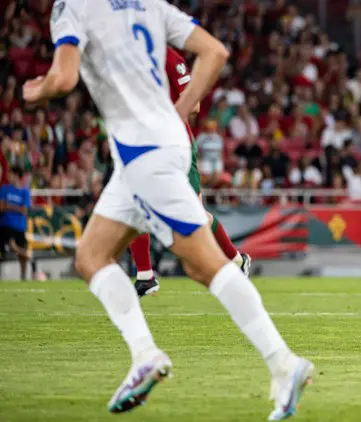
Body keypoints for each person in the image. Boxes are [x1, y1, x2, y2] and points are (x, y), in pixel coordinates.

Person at [22, 1, 312, 418]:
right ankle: (144, 355)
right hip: (154, 149)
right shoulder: (151, 4)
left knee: (203, 264)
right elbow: (216, 52)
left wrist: (39, 89)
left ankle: (284, 363)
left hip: (145, 152)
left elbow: (64, 78)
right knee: (91, 256)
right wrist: (179, 111)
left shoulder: (73, 7)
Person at [128, 47, 251, 298]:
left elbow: (193, 105)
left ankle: (237, 261)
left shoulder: (171, 58)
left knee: (197, 217)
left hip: (175, 145)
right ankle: (145, 276)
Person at [0, 167, 32, 279]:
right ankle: (29, 256)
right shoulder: (5, 189)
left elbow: (24, 210)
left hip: (20, 225)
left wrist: (9, 206)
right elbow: (1, 207)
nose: (8, 176)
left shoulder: (25, 192)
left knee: (20, 251)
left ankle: (23, 276)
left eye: (11, 174)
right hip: (6, 224)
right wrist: (16, 208)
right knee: (12, 246)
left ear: (17, 176)